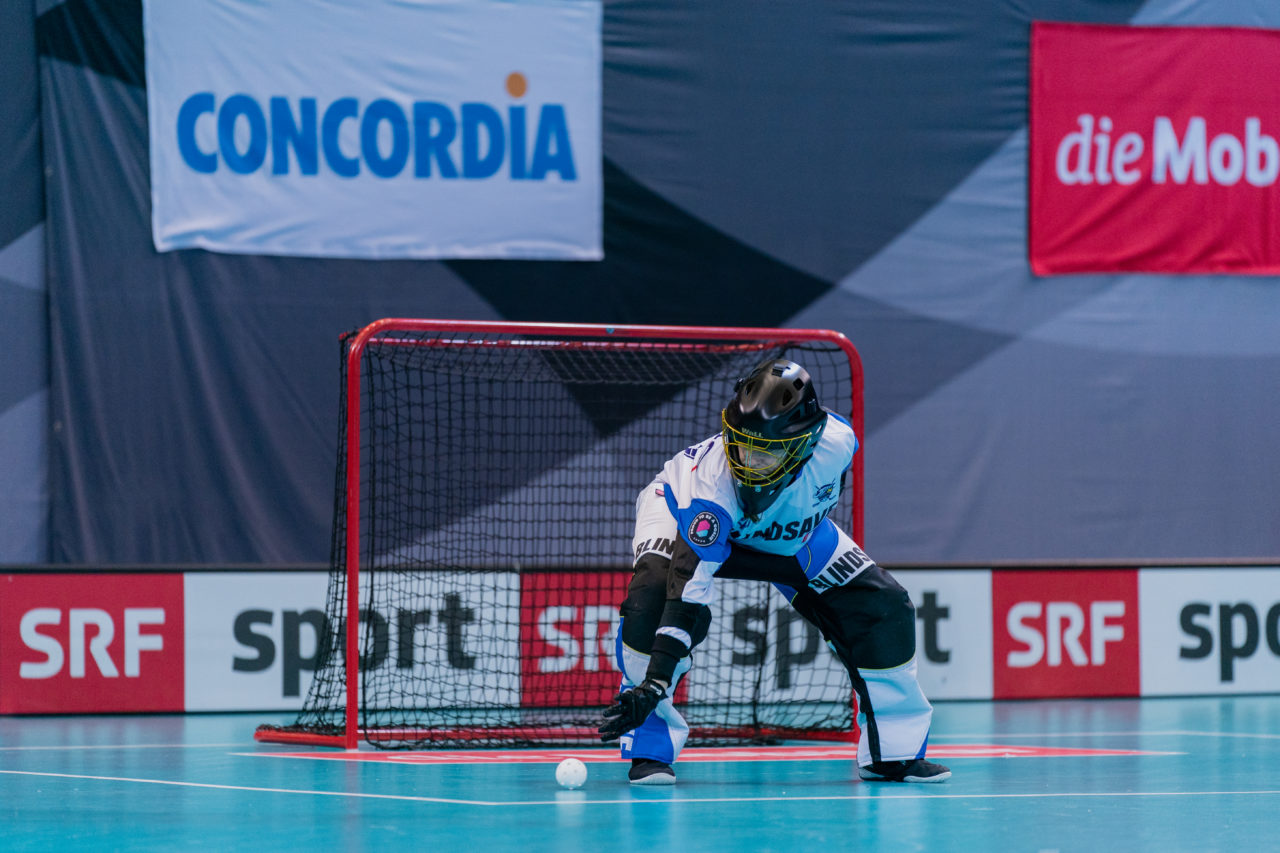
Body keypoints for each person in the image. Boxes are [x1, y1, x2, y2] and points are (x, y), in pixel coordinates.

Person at [598, 357, 950, 786]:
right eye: (742, 445)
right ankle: (650, 746)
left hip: (787, 538)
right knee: (651, 597)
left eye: (766, 453)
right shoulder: (709, 491)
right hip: (683, 519)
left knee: (882, 606)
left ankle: (891, 754)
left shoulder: (838, 443)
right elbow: (686, 593)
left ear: (803, 444)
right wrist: (654, 682)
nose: (748, 462)